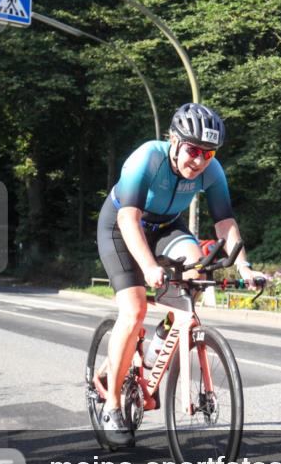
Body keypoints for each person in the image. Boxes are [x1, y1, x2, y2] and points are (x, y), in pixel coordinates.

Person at [96, 103, 264, 446]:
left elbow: (225, 222)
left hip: (166, 227)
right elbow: (128, 219)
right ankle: (111, 405)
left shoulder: (212, 171)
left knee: (198, 269)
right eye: (193, 150)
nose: (199, 161)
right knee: (134, 309)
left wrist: (244, 266)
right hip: (121, 226)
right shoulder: (147, 158)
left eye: (208, 153)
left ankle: (161, 338)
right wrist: (148, 267)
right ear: (173, 141)